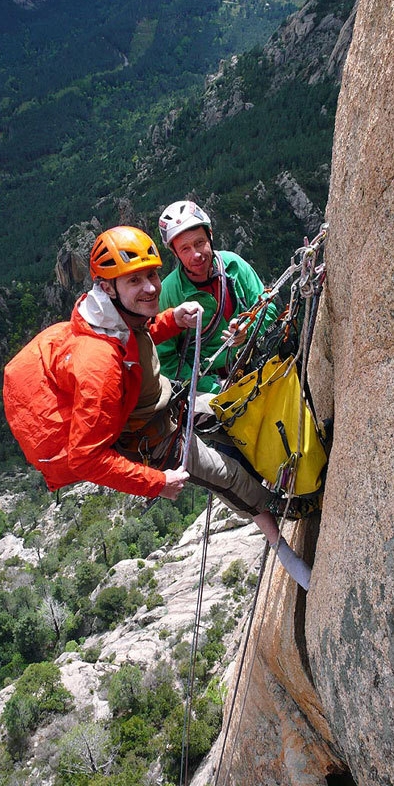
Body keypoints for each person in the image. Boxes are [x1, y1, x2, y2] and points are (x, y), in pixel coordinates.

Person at [34, 225, 311, 590]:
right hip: (159, 443)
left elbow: (142, 336)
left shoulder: (113, 317)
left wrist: (171, 320)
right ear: (107, 288)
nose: (150, 287)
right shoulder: (97, 365)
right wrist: (156, 482)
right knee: (227, 477)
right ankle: (279, 520)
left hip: (170, 408)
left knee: (239, 413)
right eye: (134, 281)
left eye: (152, 274)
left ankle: (285, 475)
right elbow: (86, 458)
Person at [157, 200, 280, 394]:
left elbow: (269, 307)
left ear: (210, 235)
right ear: (175, 252)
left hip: (253, 367)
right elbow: (165, 360)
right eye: (185, 249)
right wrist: (211, 388)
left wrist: (247, 329)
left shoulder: (234, 266)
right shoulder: (169, 292)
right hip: (204, 387)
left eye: (199, 243)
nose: (196, 254)